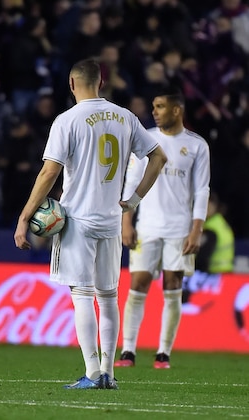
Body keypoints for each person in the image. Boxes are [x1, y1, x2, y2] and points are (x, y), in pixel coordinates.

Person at [13, 59, 167, 390]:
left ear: (71, 84)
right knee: (108, 296)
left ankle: (92, 372)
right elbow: (158, 157)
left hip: (77, 220)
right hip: (111, 219)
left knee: (82, 295)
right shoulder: (125, 117)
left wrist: (25, 216)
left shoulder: (67, 120)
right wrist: (135, 201)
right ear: (101, 83)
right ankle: (108, 374)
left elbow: (49, 172)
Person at [116, 86, 210, 369]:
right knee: (138, 284)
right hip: (147, 226)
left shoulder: (196, 145)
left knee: (173, 286)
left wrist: (196, 230)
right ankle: (128, 351)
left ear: (176, 110)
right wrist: (126, 222)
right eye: (154, 106)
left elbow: (202, 190)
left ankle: (163, 353)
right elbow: (130, 182)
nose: (154, 112)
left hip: (180, 229)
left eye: (160, 107)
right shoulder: (145, 140)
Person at [181, 192, 234, 315]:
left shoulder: (211, 230)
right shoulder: (219, 223)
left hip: (214, 276)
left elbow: (202, 258)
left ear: (214, 206)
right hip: (225, 274)